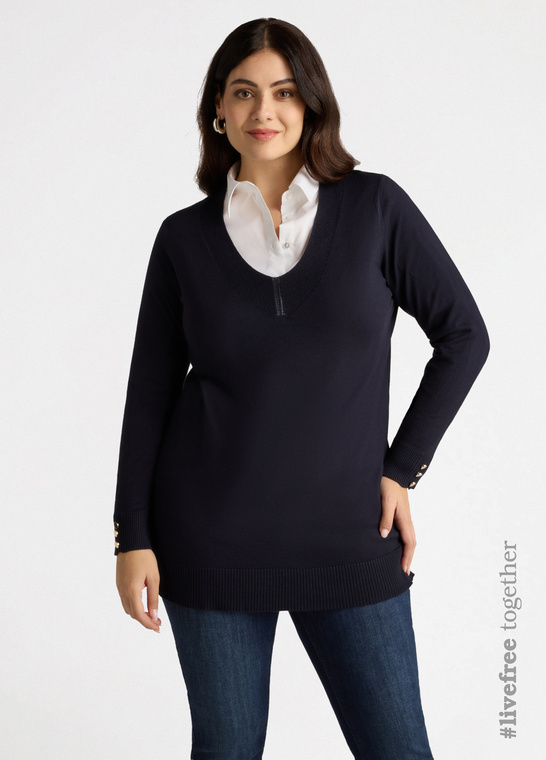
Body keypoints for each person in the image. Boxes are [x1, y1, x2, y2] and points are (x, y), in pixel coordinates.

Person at [113, 17, 490, 760]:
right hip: (209, 544)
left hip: (350, 537)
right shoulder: (183, 239)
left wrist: (401, 468)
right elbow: (148, 394)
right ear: (218, 110)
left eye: (284, 92)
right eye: (244, 92)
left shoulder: (376, 208)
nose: (264, 111)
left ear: (312, 103)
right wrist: (133, 536)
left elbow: (464, 337)